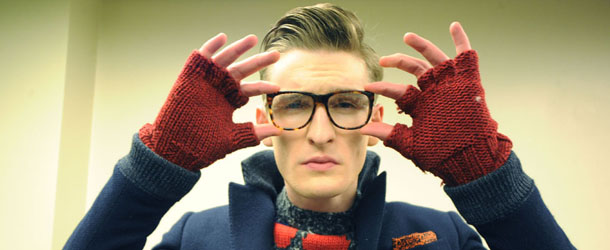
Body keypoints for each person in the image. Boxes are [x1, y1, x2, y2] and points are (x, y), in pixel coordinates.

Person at [64, 3, 574, 250]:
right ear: (265, 120)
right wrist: (160, 163)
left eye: (346, 104)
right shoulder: (198, 237)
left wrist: (484, 172)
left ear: (376, 119)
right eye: (293, 105)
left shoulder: (442, 236)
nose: (321, 132)